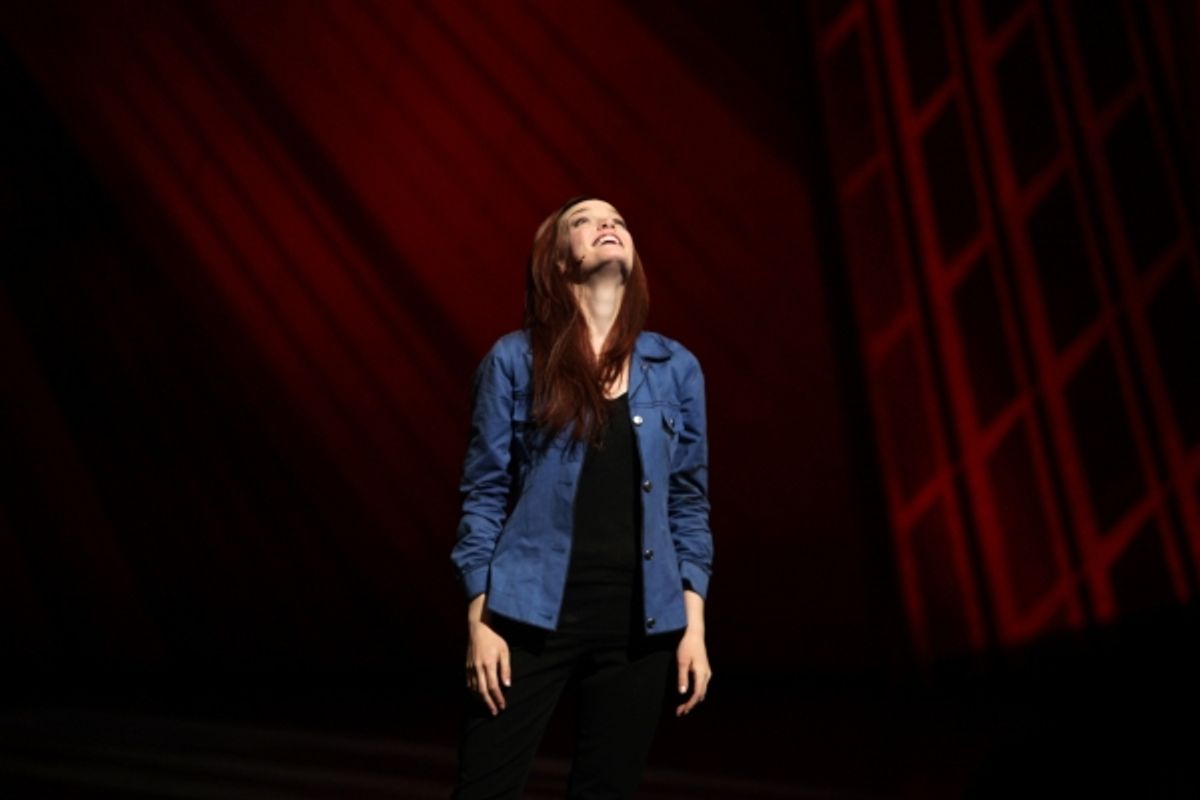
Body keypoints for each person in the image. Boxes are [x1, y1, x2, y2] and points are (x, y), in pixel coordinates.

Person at [450, 196, 713, 799]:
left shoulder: (676, 368)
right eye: (585, 220)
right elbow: (485, 494)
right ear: (555, 260)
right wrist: (479, 619)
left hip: (640, 623)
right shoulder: (514, 361)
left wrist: (693, 628)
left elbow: (689, 505)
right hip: (525, 614)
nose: (609, 225)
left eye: (619, 220)